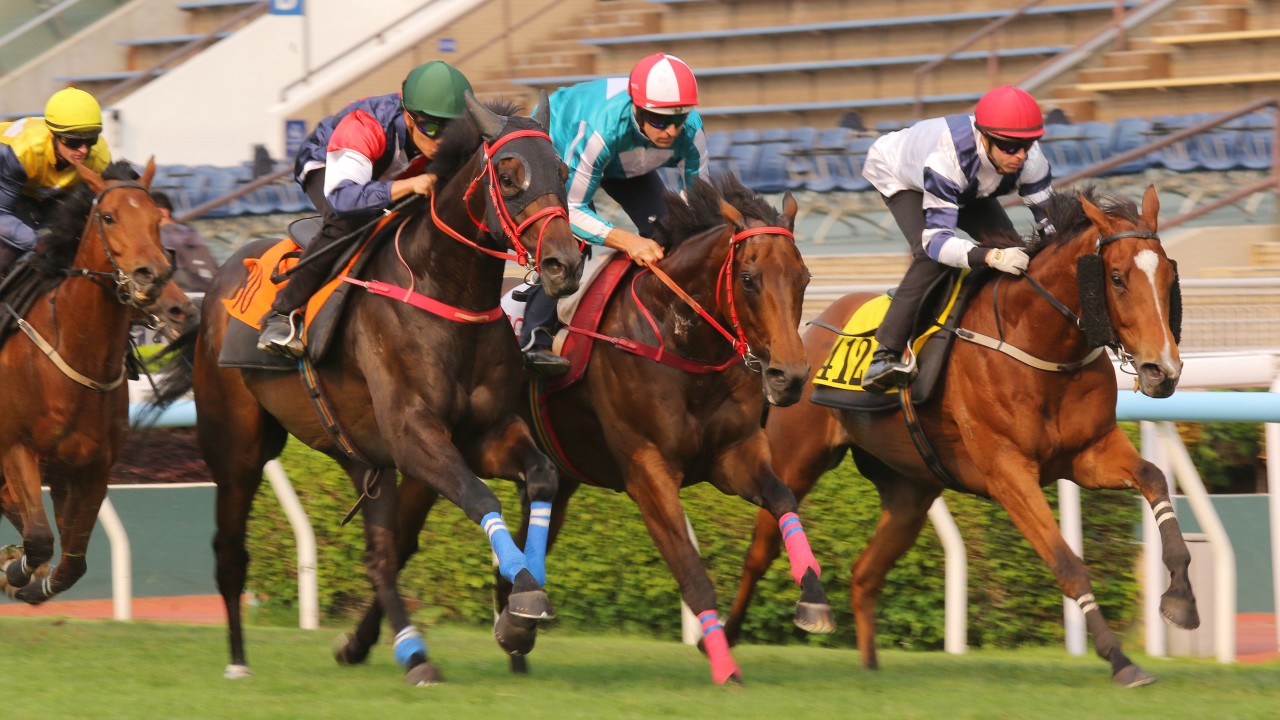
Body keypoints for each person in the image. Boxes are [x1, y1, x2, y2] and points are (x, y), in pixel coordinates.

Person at [257, 60, 473, 357]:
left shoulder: (451, 135)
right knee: (349, 221)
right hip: (329, 166)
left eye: (453, 127)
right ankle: (282, 313)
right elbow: (344, 198)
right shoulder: (364, 126)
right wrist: (409, 186)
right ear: (409, 118)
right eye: (431, 127)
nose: (442, 139)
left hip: (389, 172)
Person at [519, 52, 709, 377]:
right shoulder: (602, 129)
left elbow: (699, 205)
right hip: (566, 145)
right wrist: (626, 240)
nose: (670, 131)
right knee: (572, 247)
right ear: (636, 108)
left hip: (629, 161)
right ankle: (534, 339)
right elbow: (575, 211)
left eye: (677, 120)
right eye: (659, 120)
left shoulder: (691, 130)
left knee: (670, 233)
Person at [858, 84, 1054, 393]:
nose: (1019, 156)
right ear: (984, 137)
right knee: (930, 259)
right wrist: (989, 257)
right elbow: (936, 243)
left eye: (1027, 145)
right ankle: (885, 355)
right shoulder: (948, 158)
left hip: (971, 185)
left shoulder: (1031, 160)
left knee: (1013, 249)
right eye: (1009, 147)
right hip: (902, 175)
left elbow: (1051, 227)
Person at [0, 87, 111, 276]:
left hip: (41, 193)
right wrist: (38, 242)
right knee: (7, 253)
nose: (83, 150)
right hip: (7, 191)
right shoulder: (21, 151)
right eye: (73, 141)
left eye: (91, 140)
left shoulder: (99, 159)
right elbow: (2, 213)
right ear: (52, 134)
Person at [152, 191, 218, 292]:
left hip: (187, 289)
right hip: (202, 288)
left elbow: (198, 266)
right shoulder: (186, 231)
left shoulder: (175, 235)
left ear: (164, 211)